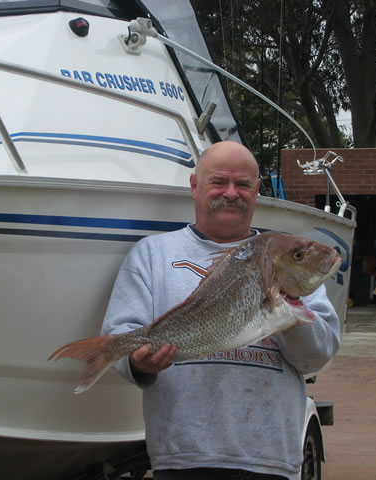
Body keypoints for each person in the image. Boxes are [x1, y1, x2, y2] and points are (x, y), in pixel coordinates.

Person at [100, 141, 340, 480]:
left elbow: (316, 358)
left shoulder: (286, 258)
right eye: (218, 182)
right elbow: (119, 338)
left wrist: (288, 311)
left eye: (242, 184)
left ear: (257, 191)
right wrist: (137, 362)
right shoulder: (151, 254)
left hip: (270, 458)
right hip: (182, 456)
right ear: (195, 186)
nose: (231, 193)